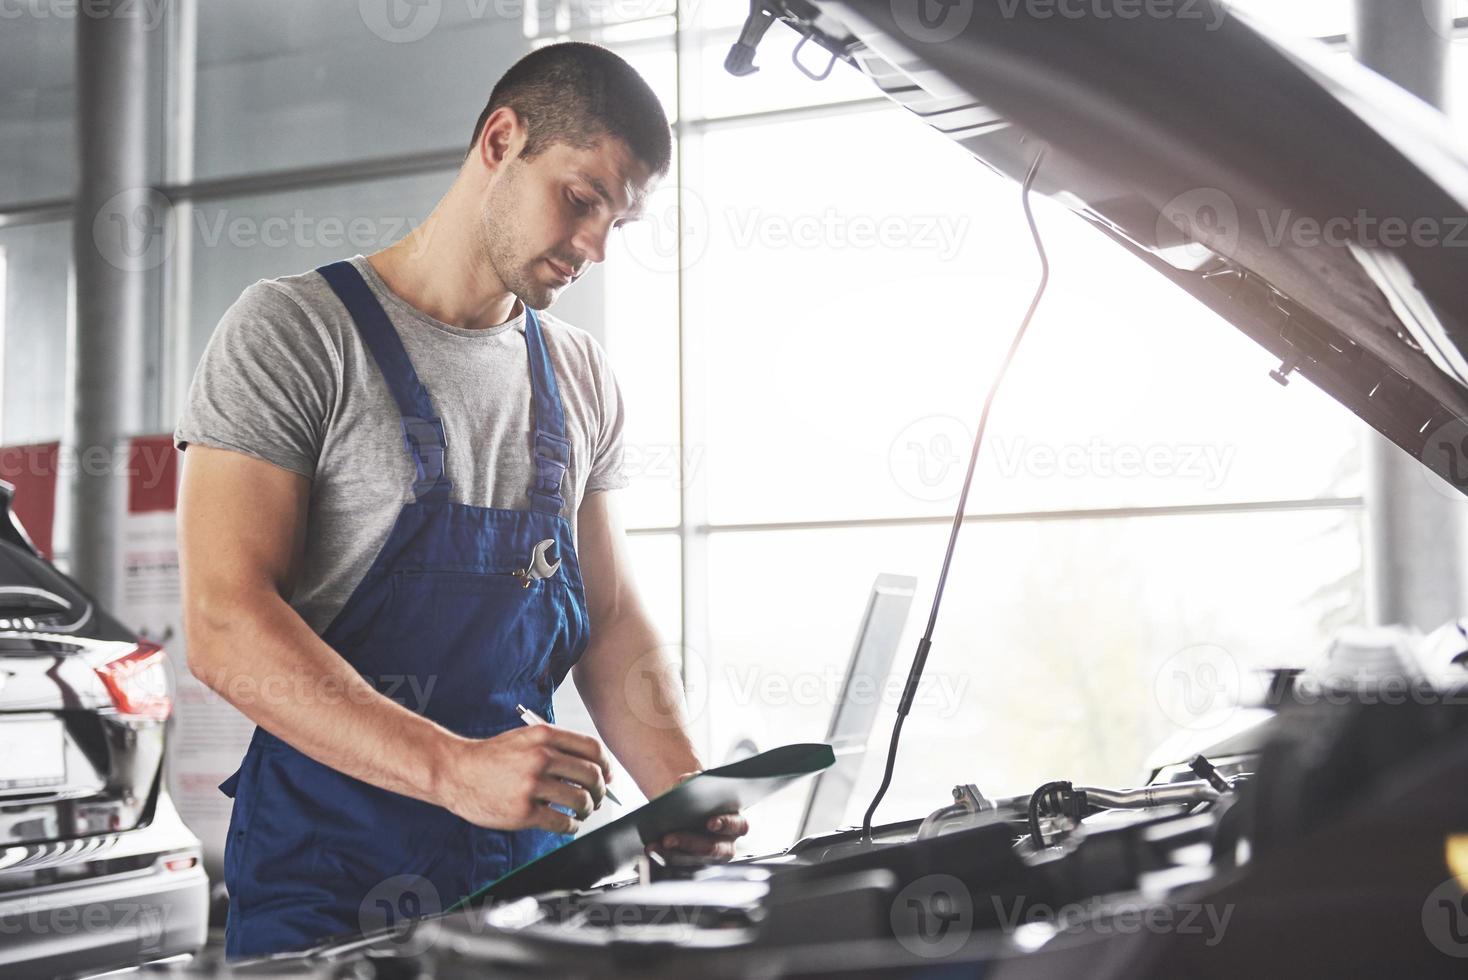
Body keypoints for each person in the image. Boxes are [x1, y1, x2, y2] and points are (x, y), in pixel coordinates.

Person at [176, 41, 747, 958]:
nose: (596, 246)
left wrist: (684, 795)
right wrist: (454, 771)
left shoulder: (579, 375)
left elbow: (609, 623)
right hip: (328, 893)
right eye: (582, 197)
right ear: (500, 139)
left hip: (525, 887)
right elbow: (224, 623)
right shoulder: (294, 334)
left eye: (619, 222)